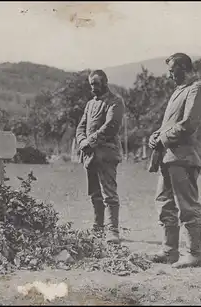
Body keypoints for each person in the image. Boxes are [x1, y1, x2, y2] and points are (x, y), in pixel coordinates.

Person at [147, 53, 201, 268]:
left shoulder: (196, 88)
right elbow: (171, 123)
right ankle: (170, 251)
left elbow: (189, 124)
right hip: (170, 156)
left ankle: (194, 254)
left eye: (172, 70)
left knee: (187, 205)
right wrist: (156, 135)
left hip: (185, 157)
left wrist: (162, 139)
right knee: (165, 203)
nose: (169, 75)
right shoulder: (180, 91)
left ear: (184, 68)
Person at [76, 70, 125, 243]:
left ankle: (113, 231)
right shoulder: (89, 104)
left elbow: (111, 126)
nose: (93, 87)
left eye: (96, 83)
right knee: (94, 194)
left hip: (107, 154)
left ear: (105, 82)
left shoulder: (115, 102)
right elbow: (80, 127)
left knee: (109, 194)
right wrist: (82, 141)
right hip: (90, 156)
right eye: (91, 84)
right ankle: (98, 228)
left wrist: (90, 141)